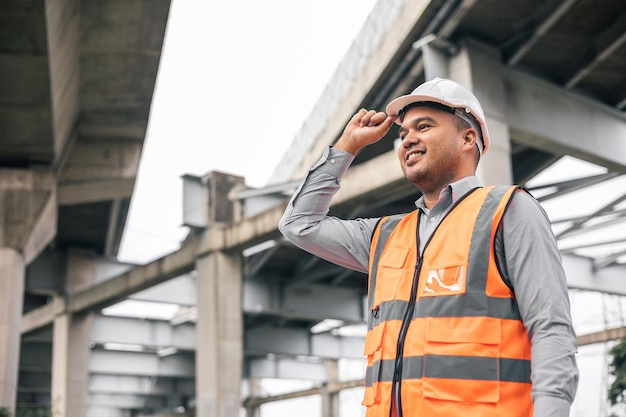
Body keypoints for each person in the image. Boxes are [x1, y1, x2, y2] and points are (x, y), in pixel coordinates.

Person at [278, 77, 578, 417]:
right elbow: (299, 224)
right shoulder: (384, 236)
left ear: (468, 139)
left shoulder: (508, 211)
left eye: (424, 126)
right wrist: (347, 146)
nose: (408, 139)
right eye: (403, 133)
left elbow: (551, 327)